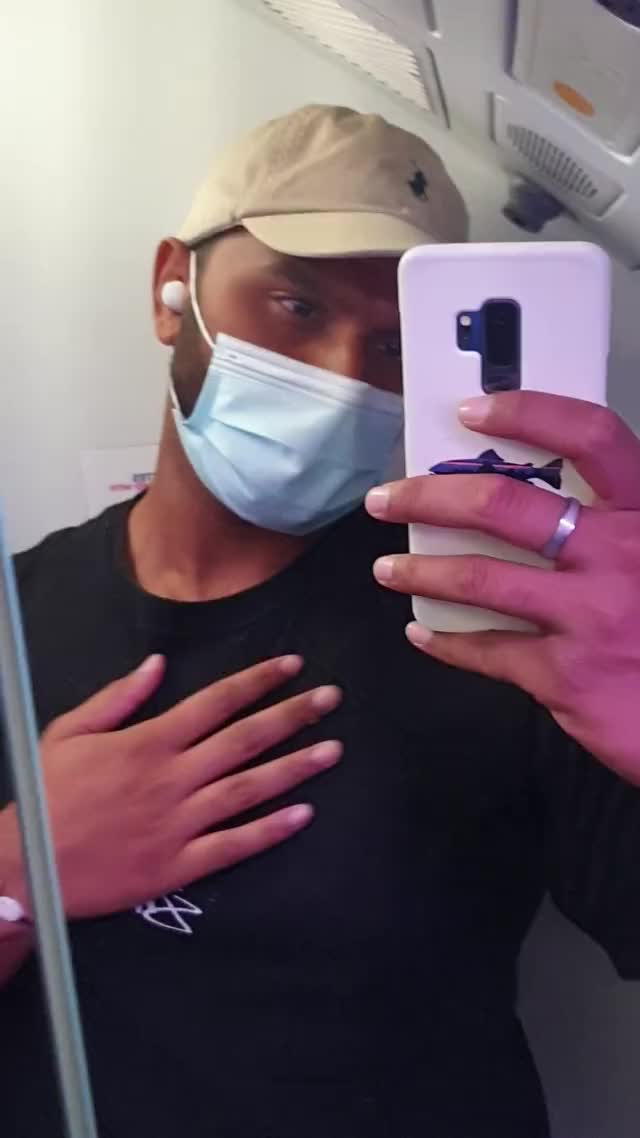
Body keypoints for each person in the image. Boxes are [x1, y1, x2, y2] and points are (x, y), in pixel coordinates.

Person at [0, 103, 639, 1138]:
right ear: (172, 289)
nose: (345, 381)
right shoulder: (16, 619)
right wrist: (19, 873)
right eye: (295, 305)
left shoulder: (496, 622)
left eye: (392, 344)